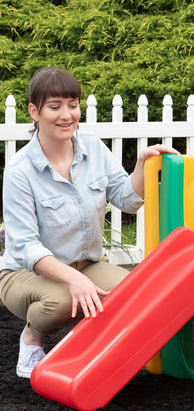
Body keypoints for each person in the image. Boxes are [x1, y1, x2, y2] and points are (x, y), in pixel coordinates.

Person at [0, 67, 179, 379]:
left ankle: (86, 346)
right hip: (23, 274)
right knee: (63, 300)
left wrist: (140, 165)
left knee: (134, 295)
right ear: (34, 112)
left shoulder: (93, 148)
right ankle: (32, 337)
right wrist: (73, 279)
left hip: (87, 263)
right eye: (55, 106)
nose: (67, 115)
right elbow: (26, 247)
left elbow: (127, 199)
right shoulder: (19, 171)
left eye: (73, 104)